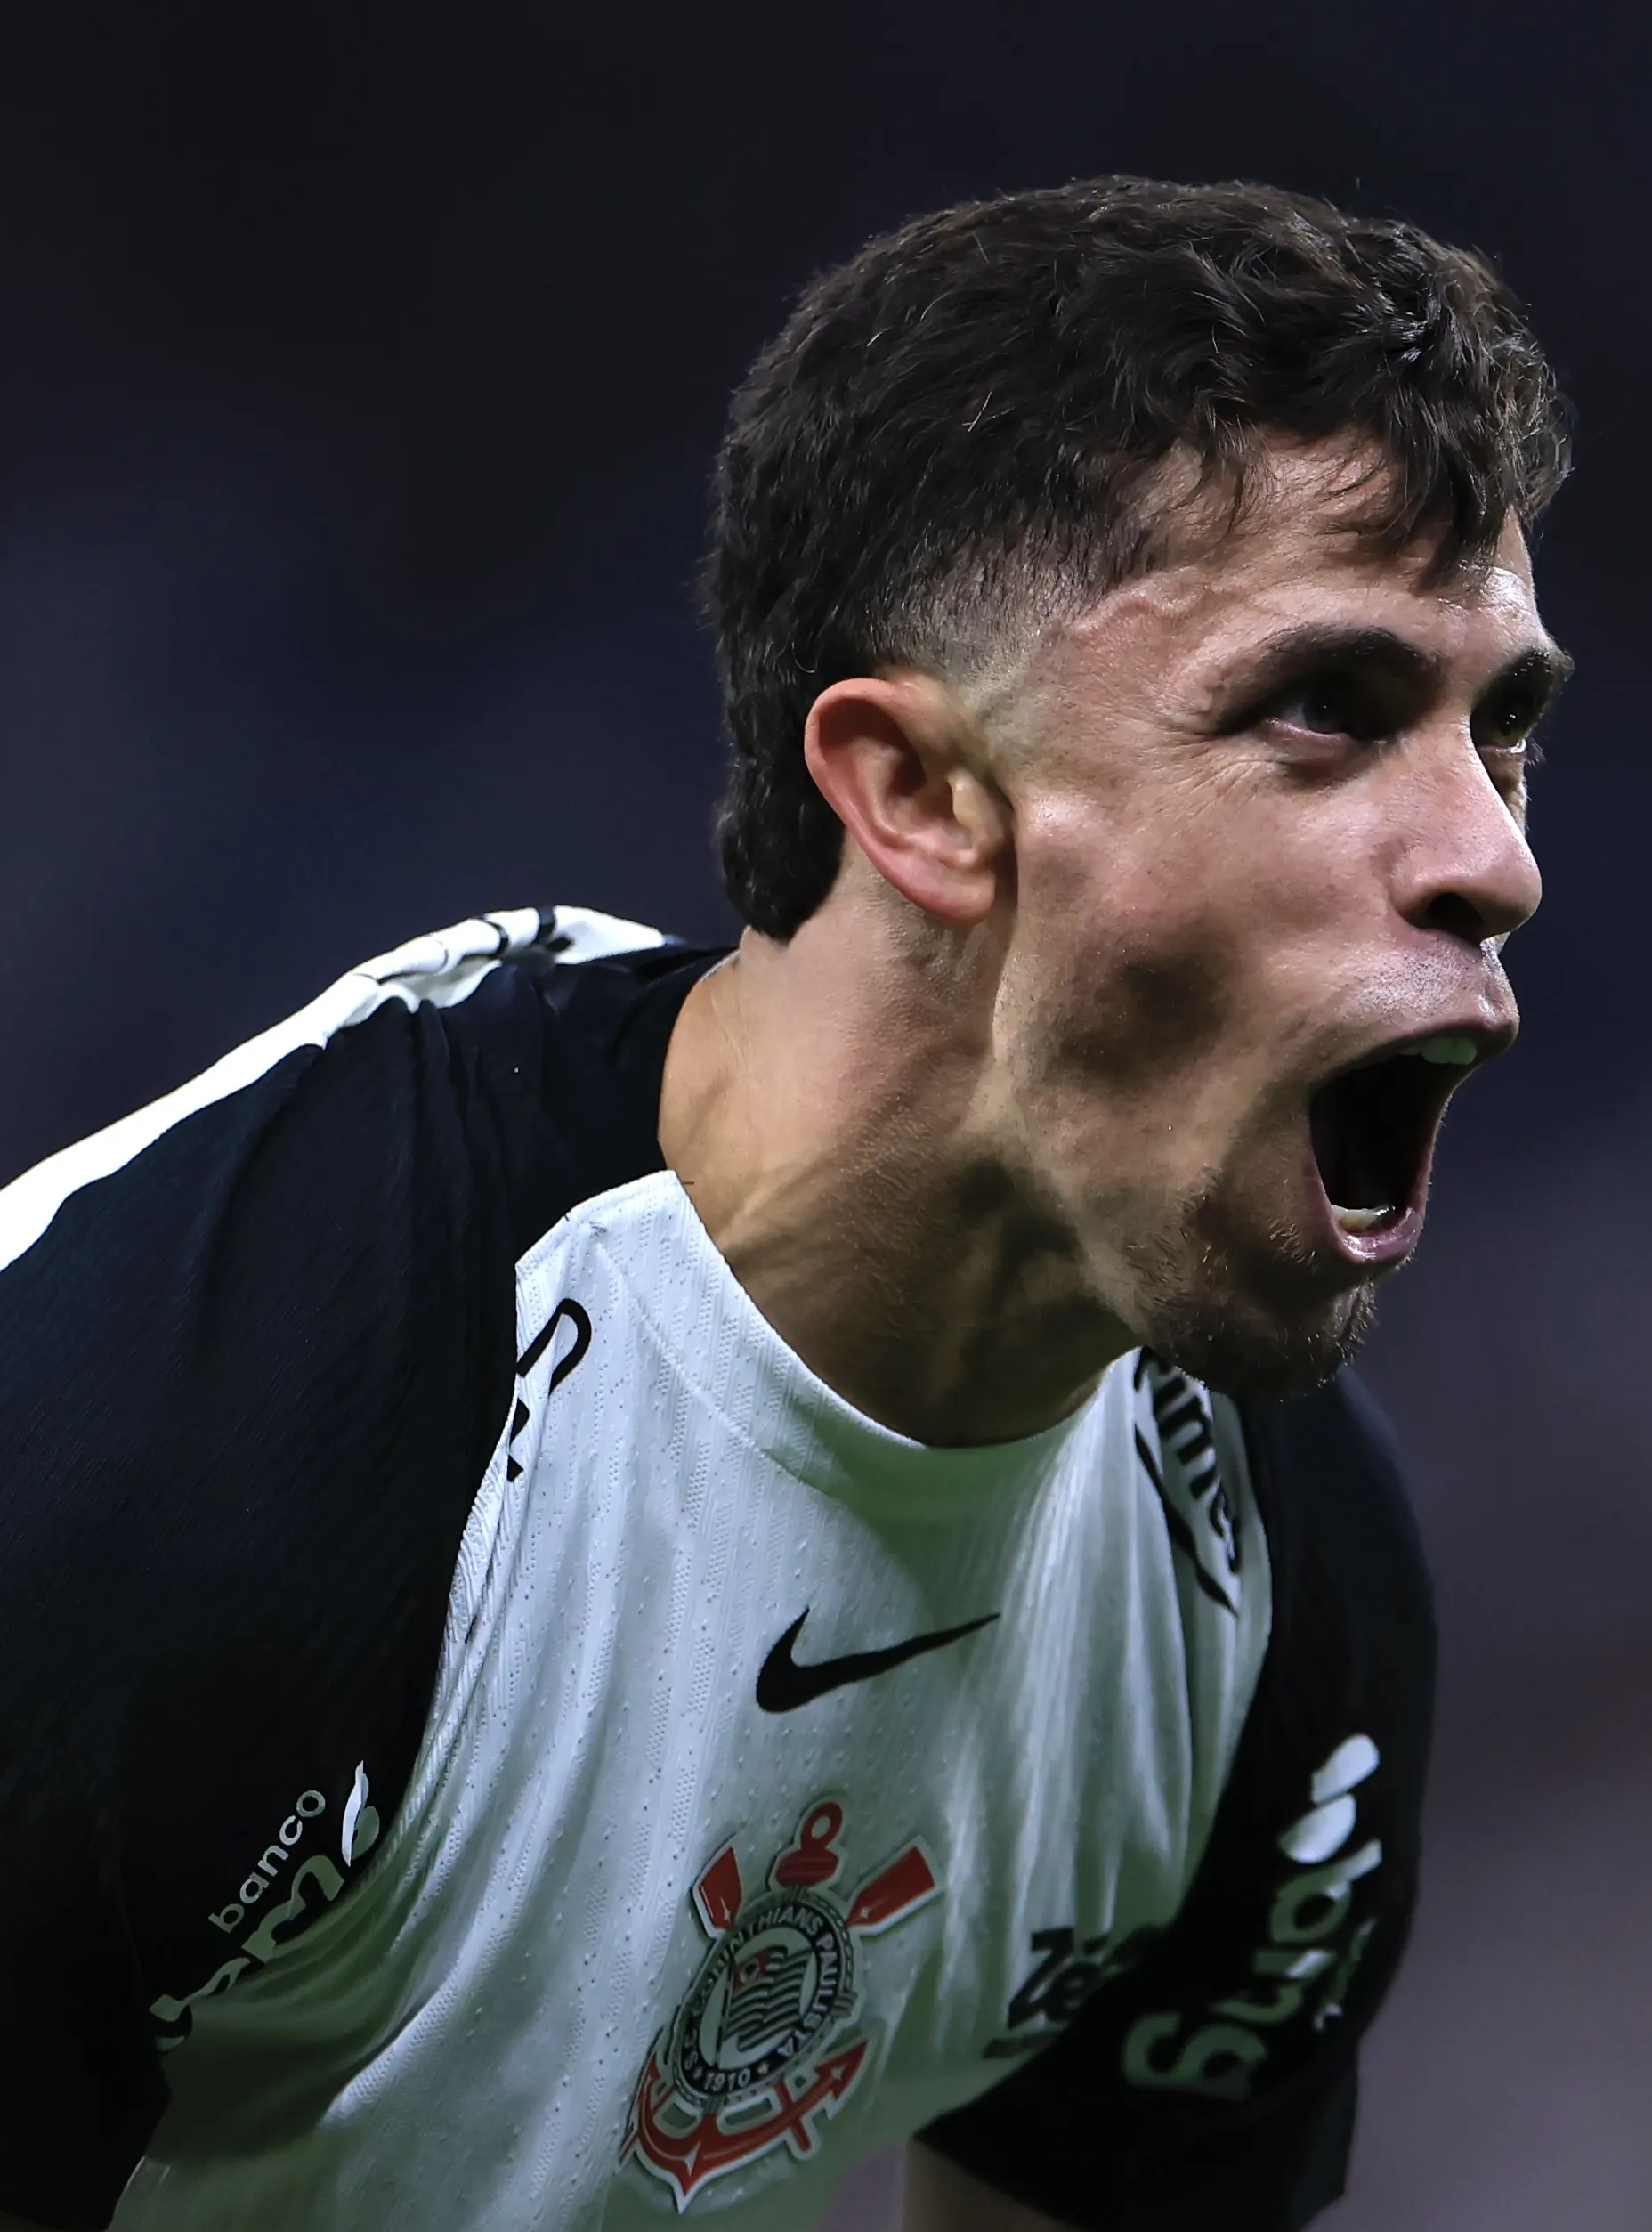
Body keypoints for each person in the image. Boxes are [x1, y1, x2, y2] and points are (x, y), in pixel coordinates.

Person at [0, 175, 1570, 2231]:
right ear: (915, 794)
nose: (1492, 857)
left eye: (1500, 729)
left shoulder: (1280, 1588)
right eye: (1324, 710)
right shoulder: (179, 1468)